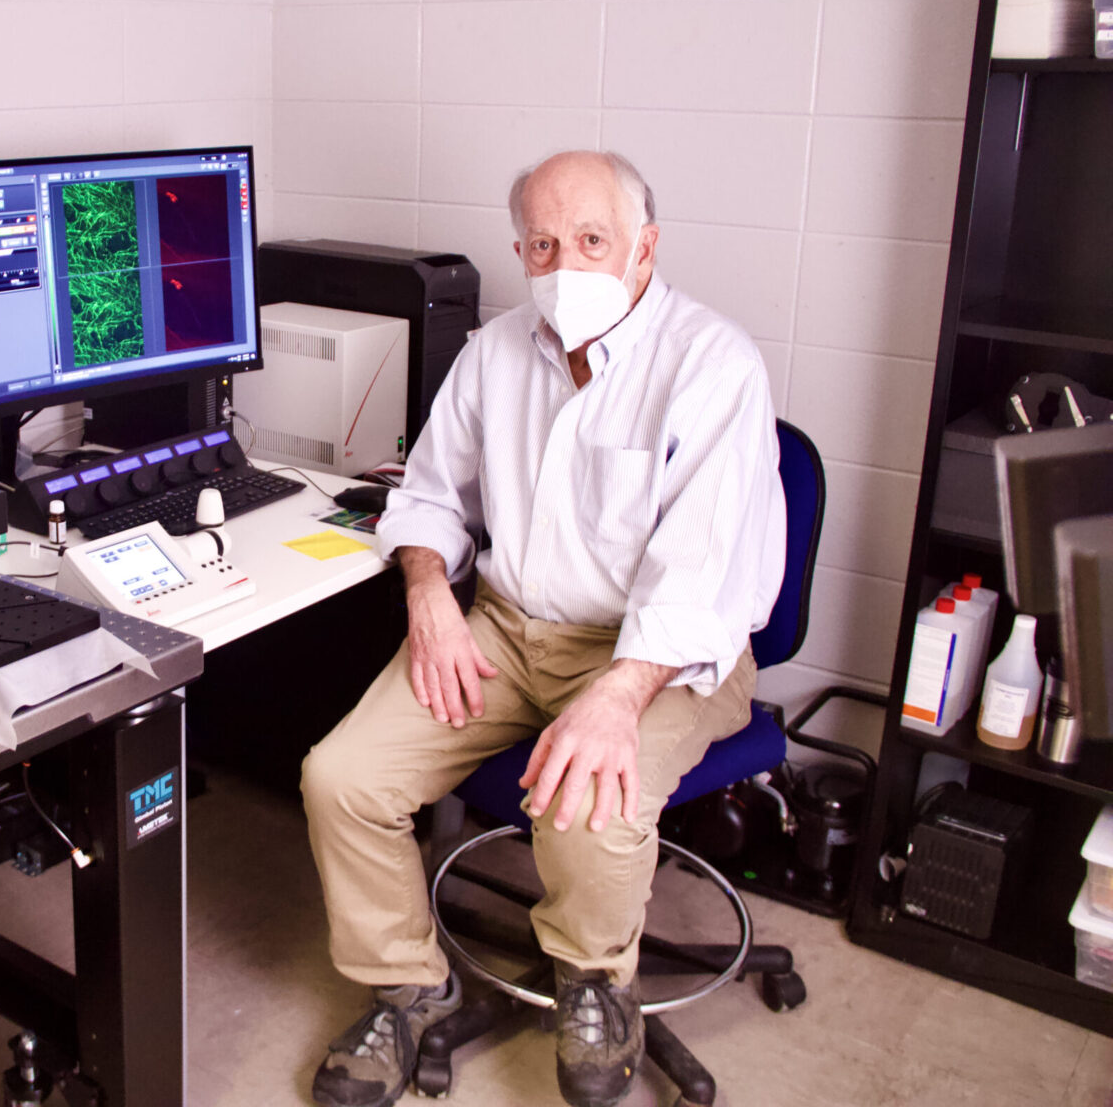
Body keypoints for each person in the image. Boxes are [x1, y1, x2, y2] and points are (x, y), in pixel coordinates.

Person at [301, 150, 786, 1107]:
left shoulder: (714, 365)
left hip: (665, 656)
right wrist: (429, 593)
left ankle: (596, 980)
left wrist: (615, 694)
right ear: (520, 249)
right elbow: (432, 496)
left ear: (645, 247)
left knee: (588, 805)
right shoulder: (495, 352)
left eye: (594, 241)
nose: (567, 264)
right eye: (544, 244)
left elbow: (697, 578)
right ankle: (410, 987)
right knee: (342, 779)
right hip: (509, 632)